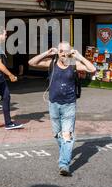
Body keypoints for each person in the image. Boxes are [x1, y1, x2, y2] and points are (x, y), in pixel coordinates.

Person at [28, 42, 96, 176]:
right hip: (53, 105)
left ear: (70, 52)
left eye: (66, 51)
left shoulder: (73, 64)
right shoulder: (52, 63)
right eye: (61, 51)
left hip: (69, 105)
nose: (63, 54)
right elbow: (32, 62)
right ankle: (65, 151)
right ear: (57, 52)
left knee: (67, 135)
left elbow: (92, 69)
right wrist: (46, 53)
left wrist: (80, 57)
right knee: (57, 134)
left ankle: (64, 164)